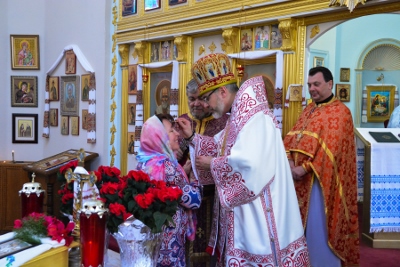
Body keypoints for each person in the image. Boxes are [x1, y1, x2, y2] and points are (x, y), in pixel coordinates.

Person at [176, 53, 309, 266]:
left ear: (221, 92)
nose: (206, 105)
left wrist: (213, 164)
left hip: (260, 219)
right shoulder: (238, 118)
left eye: (206, 98)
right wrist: (192, 137)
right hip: (245, 216)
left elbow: (251, 165)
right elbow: (220, 147)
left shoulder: (256, 119)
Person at [283, 66, 359, 267]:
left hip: (321, 186)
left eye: (316, 84)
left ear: (330, 84)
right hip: (296, 183)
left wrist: (305, 168)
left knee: (318, 233)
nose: (312, 89)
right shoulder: (308, 109)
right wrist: (290, 161)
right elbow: (291, 139)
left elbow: (332, 153)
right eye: (309, 85)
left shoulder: (341, 113)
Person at [136, 114, 202, 267]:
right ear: (159, 137)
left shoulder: (143, 163)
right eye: (171, 131)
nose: (177, 134)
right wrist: (194, 179)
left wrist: (182, 173)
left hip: (150, 241)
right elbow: (194, 200)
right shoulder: (168, 167)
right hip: (170, 245)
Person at [177, 79, 229, 266]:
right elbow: (172, 154)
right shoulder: (182, 120)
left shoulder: (223, 121)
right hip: (184, 198)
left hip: (213, 198)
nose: (196, 104)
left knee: (210, 249)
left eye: (200, 98)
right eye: (192, 99)